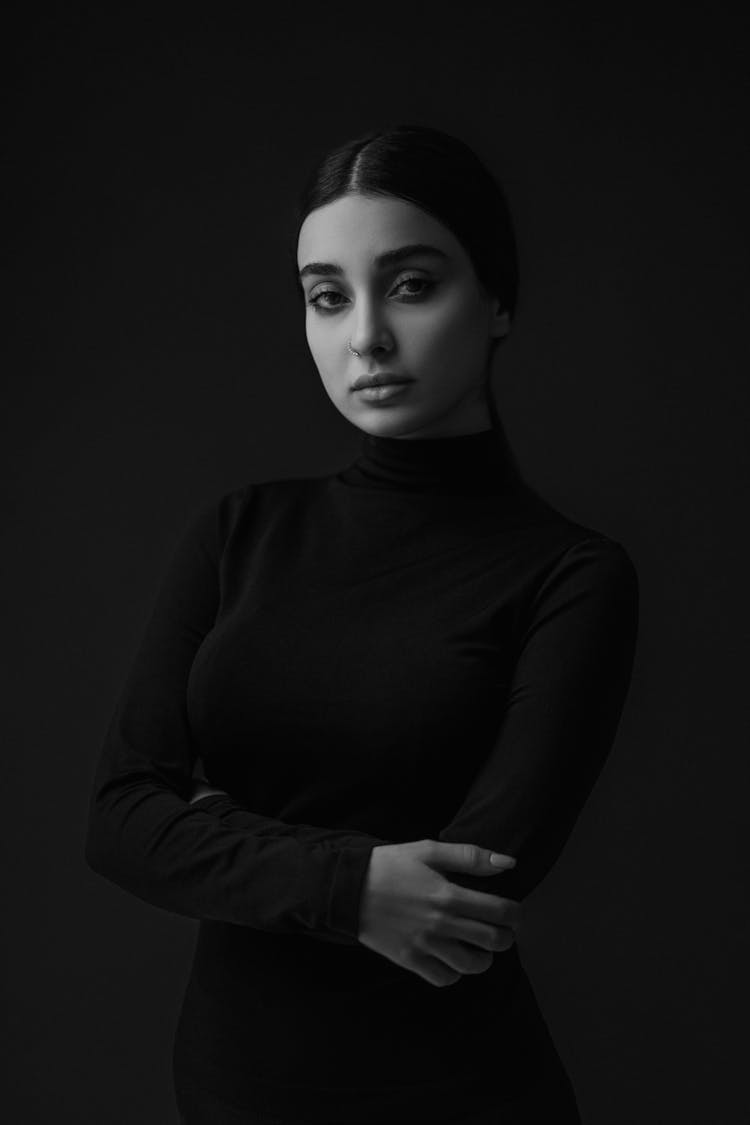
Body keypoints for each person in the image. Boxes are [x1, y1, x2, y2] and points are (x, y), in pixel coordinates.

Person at [84, 123, 640, 1124]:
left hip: (454, 1089)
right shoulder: (239, 531)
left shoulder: (571, 574)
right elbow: (119, 819)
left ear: (499, 299)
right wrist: (348, 883)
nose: (366, 337)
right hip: (232, 1079)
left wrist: (211, 829)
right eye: (328, 297)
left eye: (413, 285)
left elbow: (473, 886)